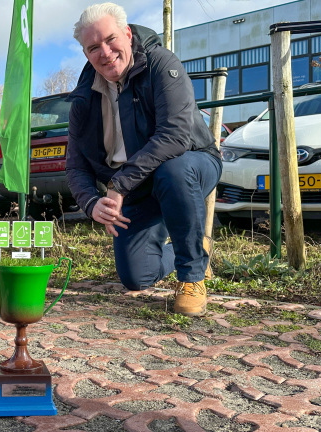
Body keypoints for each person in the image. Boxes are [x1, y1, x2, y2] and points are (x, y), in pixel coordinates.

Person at [67, 3, 222, 316]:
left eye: (111, 39)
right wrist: (91, 204)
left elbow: (175, 136)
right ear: (85, 53)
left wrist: (118, 186)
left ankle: (191, 276)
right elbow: (76, 165)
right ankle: (198, 246)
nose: (105, 53)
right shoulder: (83, 99)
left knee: (172, 170)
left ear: (127, 34)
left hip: (190, 164)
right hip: (136, 189)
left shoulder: (162, 64)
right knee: (137, 277)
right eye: (93, 47)